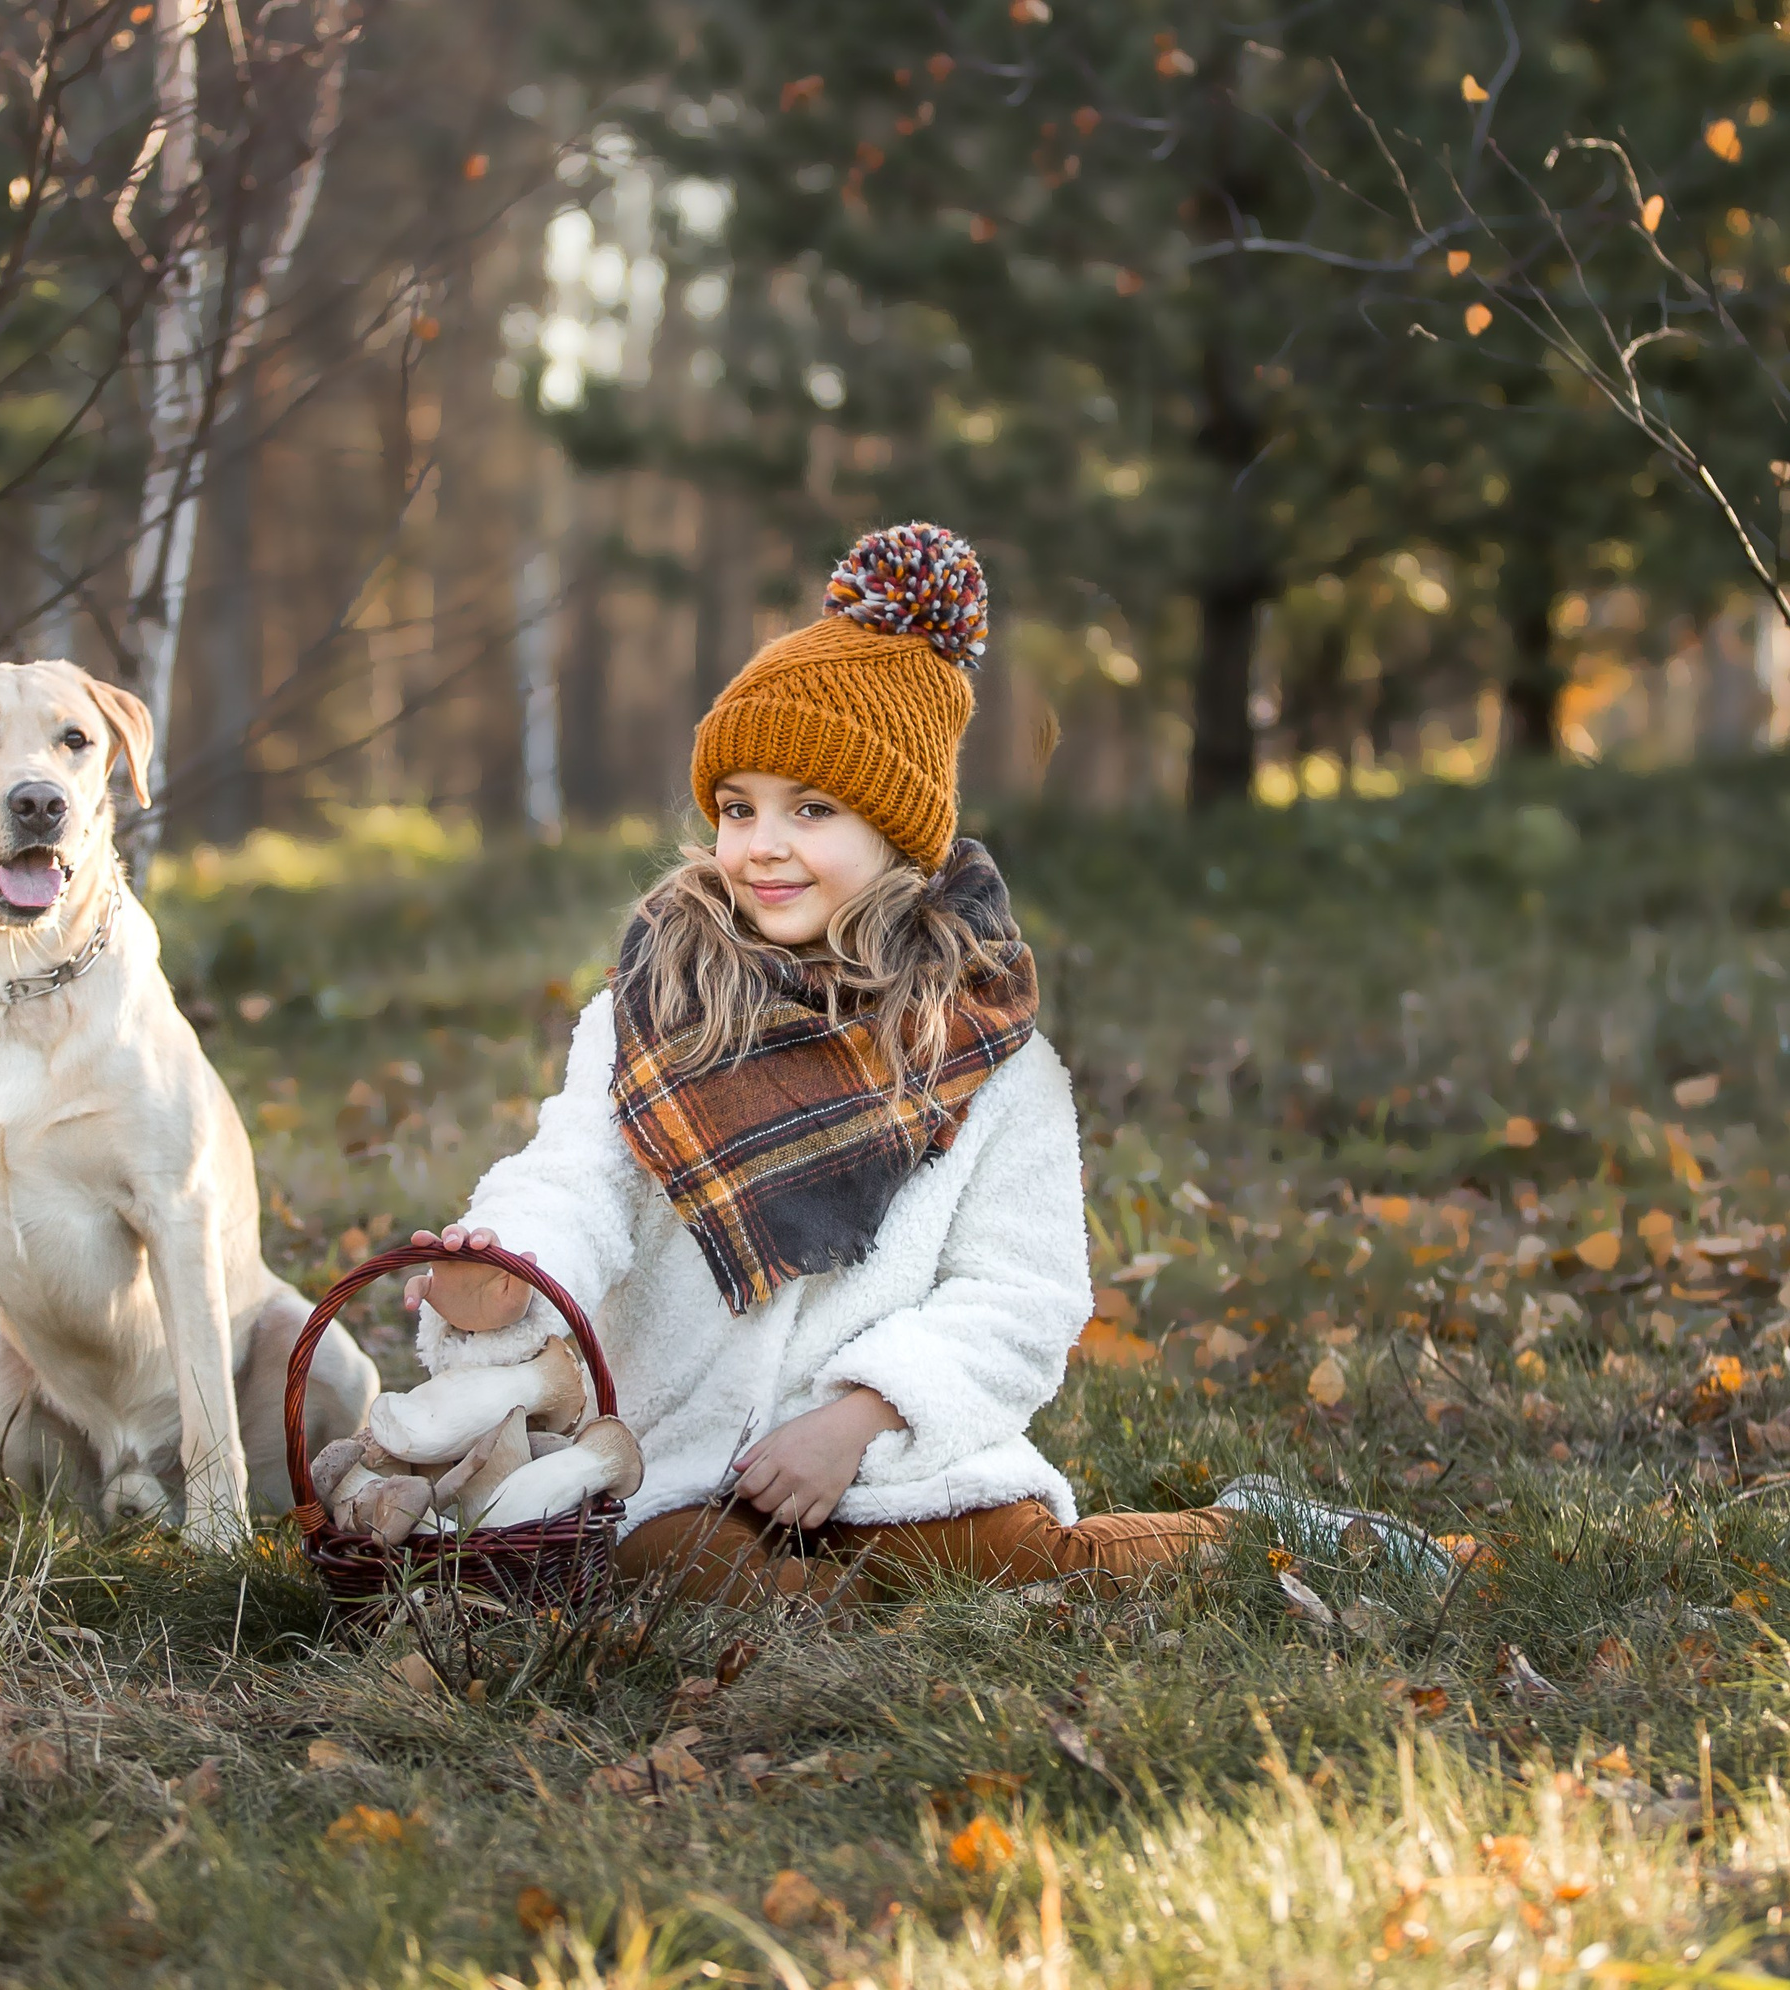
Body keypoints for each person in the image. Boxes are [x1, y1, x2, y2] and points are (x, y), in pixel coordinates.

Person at [404, 522, 1419, 1605]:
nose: (763, 844)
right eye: (738, 808)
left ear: (900, 833)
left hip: (890, 1459)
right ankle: (842, 1635)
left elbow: (1019, 1295)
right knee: (696, 1588)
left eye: (812, 809)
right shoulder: (657, 1013)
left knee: (1029, 1570)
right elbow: (577, 1179)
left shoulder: (989, 1059)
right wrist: (503, 1271)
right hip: (686, 1458)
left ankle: (1263, 1536)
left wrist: (860, 1413)